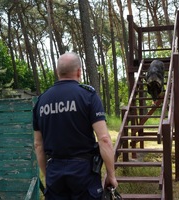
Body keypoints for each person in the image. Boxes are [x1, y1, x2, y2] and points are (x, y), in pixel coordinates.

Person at [33, 52, 118, 199]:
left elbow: (38, 145)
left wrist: (49, 176)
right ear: (79, 71)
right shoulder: (88, 96)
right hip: (83, 173)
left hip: (54, 172)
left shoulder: (41, 101)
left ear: (57, 72)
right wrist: (111, 175)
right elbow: (104, 138)